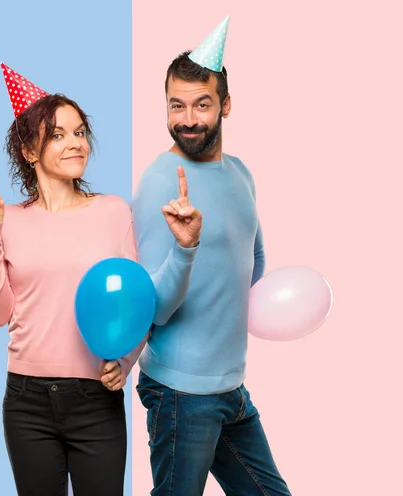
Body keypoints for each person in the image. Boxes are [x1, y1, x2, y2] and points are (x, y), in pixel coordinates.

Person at [131, 17, 292, 496]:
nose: (188, 119)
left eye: (201, 104)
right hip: (180, 393)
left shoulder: (241, 175)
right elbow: (152, 307)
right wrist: (186, 248)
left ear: (225, 105)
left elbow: (254, 264)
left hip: (230, 388)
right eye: (176, 105)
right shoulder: (161, 181)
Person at [0, 64, 145, 496]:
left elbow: (138, 299)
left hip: (95, 399)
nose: (76, 143)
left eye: (80, 132)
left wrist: (124, 363)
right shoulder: (7, 218)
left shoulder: (113, 212)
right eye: (58, 134)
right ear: (30, 151)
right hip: (26, 402)